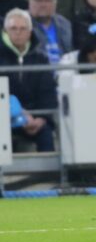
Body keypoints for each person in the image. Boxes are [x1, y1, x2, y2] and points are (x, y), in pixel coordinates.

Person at [1, 8, 56, 152]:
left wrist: (42, 118)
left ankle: (50, 175)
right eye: (13, 28)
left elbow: (48, 92)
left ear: (30, 32)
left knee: (45, 132)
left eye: (22, 28)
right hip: (4, 115)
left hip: (34, 116)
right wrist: (20, 113)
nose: (18, 32)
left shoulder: (41, 58)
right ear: (5, 32)